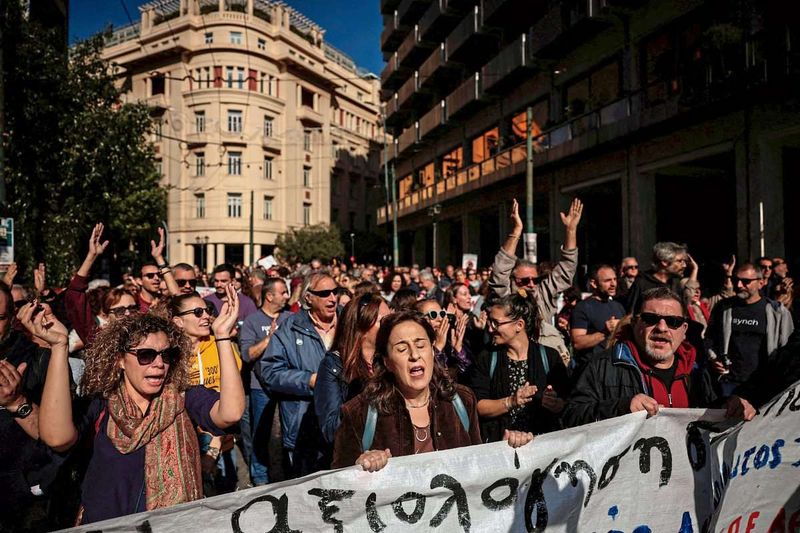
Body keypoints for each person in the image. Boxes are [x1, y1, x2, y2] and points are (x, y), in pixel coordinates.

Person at [32, 303, 245, 524]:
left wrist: (222, 337)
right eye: (146, 355)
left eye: (167, 355)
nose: (159, 364)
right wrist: (59, 346)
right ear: (120, 360)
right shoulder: (100, 404)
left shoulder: (184, 397)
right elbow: (56, 438)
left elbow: (230, 413)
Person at [332, 311, 533, 471]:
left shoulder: (461, 400)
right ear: (387, 362)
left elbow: (477, 467)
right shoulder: (359, 412)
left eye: (421, 345)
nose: (414, 355)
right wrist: (361, 465)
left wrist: (508, 449)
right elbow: (339, 487)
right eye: (402, 349)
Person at [562, 287, 712, 428]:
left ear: (684, 329)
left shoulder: (695, 370)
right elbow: (570, 417)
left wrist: (728, 406)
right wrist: (621, 408)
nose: (662, 328)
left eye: (673, 321)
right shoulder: (602, 366)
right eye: (650, 319)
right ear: (634, 323)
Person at [261, 273, 337, 478]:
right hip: (303, 429)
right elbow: (269, 372)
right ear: (308, 297)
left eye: (335, 291)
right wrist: (308, 380)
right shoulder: (290, 328)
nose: (333, 298)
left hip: (342, 428)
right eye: (324, 293)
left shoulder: (348, 324)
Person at [489, 198, 583, 363]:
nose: (531, 285)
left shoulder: (542, 294)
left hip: (549, 366)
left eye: (535, 280)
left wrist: (571, 230)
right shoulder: (506, 299)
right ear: (513, 280)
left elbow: (567, 268)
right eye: (524, 281)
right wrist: (516, 231)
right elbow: (500, 270)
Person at [470, 291, 570, 440]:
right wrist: (511, 401)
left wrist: (556, 404)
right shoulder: (487, 358)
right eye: (490, 322)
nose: (490, 328)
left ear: (519, 325)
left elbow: (569, 401)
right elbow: (477, 406)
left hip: (541, 448)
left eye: (496, 323)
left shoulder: (550, 357)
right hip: (501, 446)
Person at [705, 263, 794, 396]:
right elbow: (709, 338)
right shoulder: (723, 308)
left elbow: (788, 348)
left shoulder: (777, 312)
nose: (739, 285)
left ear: (761, 283)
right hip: (729, 383)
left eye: (746, 281)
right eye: (736, 281)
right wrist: (713, 358)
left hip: (764, 384)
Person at [315, 293, 390, 448]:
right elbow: (330, 430)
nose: (392, 326)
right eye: (384, 321)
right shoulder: (333, 365)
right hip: (356, 459)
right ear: (362, 326)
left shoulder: (389, 361)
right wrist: (368, 393)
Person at [239, 277, 291, 486]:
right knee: (260, 435)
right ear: (270, 296)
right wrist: (270, 338)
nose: (287, 296)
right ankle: (259, 479)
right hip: (260, 389)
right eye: (283, 292)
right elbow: (247, 354)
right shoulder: (252, 321)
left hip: (288, 386)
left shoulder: (291, 318)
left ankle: (287, 475)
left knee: (287, 434)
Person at [569, 265, 626, 370]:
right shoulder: (583, 307)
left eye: (614, 279)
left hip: (616, 368)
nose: (613, 284)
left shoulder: (618, 306)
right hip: (591, 370)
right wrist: (605, 332)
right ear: (594, 283)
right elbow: (577, 343)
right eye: (607, 281)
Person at [625, 242, 687, 313]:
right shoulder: (642, 283)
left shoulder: (676, 283)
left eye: (684, 261)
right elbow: (630, 312)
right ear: (664, 262)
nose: (684, 265)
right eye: (679, 261)